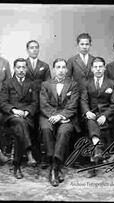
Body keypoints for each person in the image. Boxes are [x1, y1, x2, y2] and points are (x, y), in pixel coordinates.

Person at [39, 58, 79, 187]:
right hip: (48, 116)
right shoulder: (45, 84)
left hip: (66, 117)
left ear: (67, 69)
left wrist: (61, 116)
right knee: (46, 128)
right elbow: (44, 104)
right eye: (58, 67)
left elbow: (73, 105)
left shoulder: (73, 84)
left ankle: (54, 167)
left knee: (64, 130)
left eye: (63, 67)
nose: (61, 70)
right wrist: (54, 115)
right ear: (54, 69)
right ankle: (55, 164)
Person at [0, 58, 38, 179]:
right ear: (14, 69)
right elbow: (2, 103)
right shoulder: (7, 83)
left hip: (26, 118)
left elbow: (35, 102)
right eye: (18, 67)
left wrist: (26, 112)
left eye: (23, 67)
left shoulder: (31, 83)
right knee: (18, 123)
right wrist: (14, 110)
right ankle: (29, 153)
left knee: (19, 129)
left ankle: (17, 165)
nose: (21, 70)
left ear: (26, 69)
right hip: (11, 117)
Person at [81, 57, 114, 178]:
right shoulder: (87, 83)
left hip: (106, 117)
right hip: (91, 115)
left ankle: (93, 164)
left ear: (104, 68)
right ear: (92, 69)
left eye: (100, 67)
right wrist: (87, 111)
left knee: (94, 125)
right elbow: (83, 101)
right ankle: (97, 150)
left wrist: (105, 116)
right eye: (95, 67)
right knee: (91, 121)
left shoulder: (112, 84)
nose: (98, 69)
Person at [25, 40, 51, 163]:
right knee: (29, 126)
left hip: (41, 100)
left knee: (40, 126)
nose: (34, 50)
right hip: (27, 101)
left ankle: (41, 155)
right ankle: (30, 154)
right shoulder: (22, 64)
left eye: (36, 47)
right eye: (31, 48)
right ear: (27, 50)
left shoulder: (44, 66)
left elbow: (48, 84)